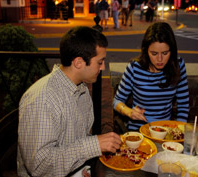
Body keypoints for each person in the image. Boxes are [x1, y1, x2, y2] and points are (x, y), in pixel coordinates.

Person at [17, 26, 122, 177]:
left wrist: (84, 167)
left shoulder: (81, 88)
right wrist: (94, 144)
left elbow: (76, 140)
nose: (103, 67)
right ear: (79, 62)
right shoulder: (42, 99)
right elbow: (39, 166)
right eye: (100, 62)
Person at [113, 22, 189, 130]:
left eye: (165, 53)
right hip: (139, 130)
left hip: (164, 130)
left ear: (172, 51)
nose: (159, 59)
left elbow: (183, 105)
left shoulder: (178, 64)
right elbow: (117, 101)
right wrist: (130, 112)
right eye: (154, 54)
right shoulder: (134, 68)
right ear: (146, 51)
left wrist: (178, 131)